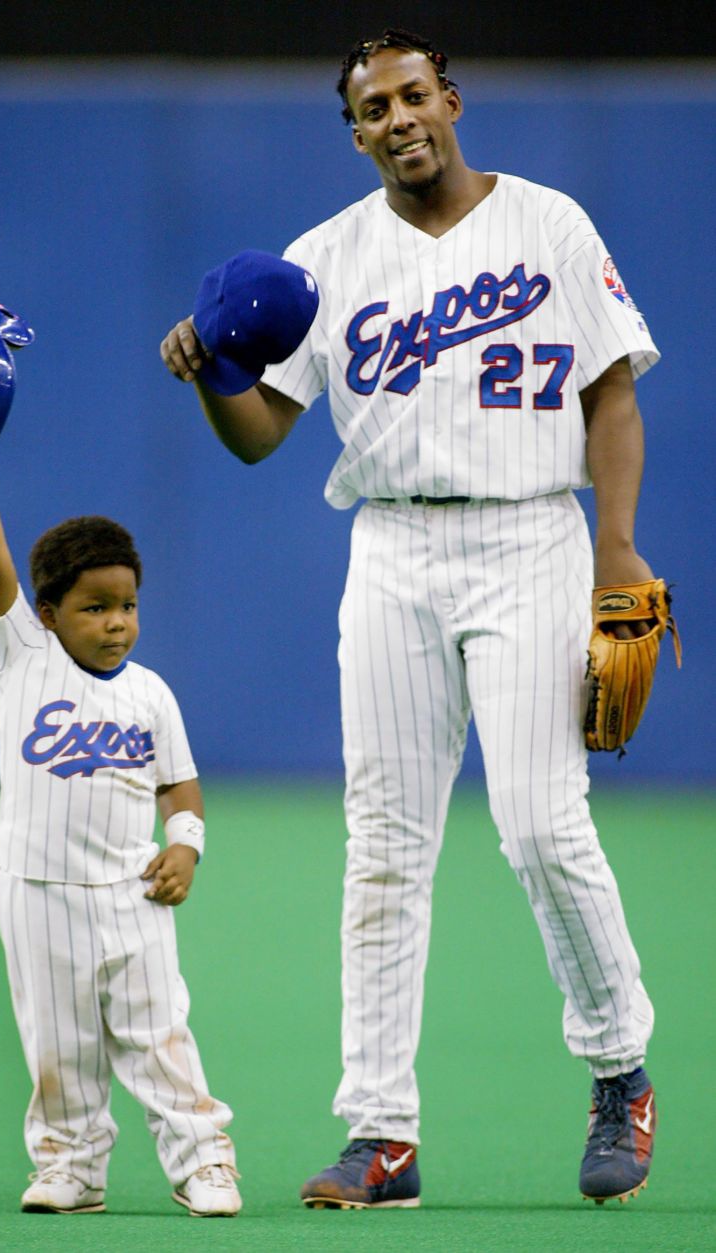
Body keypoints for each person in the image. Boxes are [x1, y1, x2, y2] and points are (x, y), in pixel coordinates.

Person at [160, 28, 660, 1210]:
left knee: (540, 823)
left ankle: (615, 1068)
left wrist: (614, 543)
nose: (396, 117)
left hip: (530, 532)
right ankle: (380, 1134)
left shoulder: (547, 223)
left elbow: (611, 391)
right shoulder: (323, 258)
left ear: (450, 98)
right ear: (353, 131)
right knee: (383, 845)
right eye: (371, 106)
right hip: (389, 547)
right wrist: (210, 377)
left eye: (411, 94)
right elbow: (262, 433)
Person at [0, 423, 241, 1218]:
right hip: (36, 892)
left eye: (128, 604)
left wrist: (187, 846)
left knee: (159, 1037)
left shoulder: (150, 693)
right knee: (58, 1046)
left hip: (131, 896)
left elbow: (180, 785)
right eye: (95, 606)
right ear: (46, 613)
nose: (117, 622)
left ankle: (205, 1159)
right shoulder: (22, 656)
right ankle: (71, 1165)